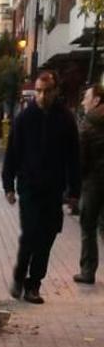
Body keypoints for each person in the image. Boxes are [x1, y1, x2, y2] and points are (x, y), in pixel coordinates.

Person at [3, 71, 81, 304]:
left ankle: (34, 284)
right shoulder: (25, 119)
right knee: (30, 234)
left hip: (53, 189)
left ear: (55, 91)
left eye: (47, 91)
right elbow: (12, 154)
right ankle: (19, 276)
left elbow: (73, 157)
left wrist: (74, 191)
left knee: (47, 237)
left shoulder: (65, 119)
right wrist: (8, 185)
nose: (42, 95)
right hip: (29, 187)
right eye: (38, 91)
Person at [73, 84, 104, 284]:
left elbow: (80, 158)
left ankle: (88, 270)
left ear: (96, 101)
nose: (83, 101)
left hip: (93, 182)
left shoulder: (88, 123)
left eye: (86, 98)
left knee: (88, 225)